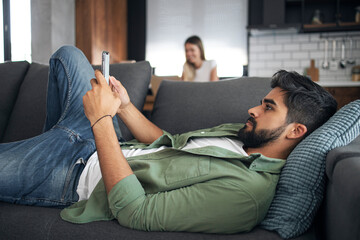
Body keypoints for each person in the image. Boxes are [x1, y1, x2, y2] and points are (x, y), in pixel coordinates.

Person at [0, 46, 337, 234]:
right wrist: (125, 108)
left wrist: (102, 120)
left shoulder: (246, 194)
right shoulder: (242, 138)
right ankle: (50, 143)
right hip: (93, 139)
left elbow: (135, 211)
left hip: (74, 174)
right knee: (67, 57)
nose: (252, 109)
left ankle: (43, 156)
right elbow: (170, 141)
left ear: (296, 131)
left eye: (267, 107)